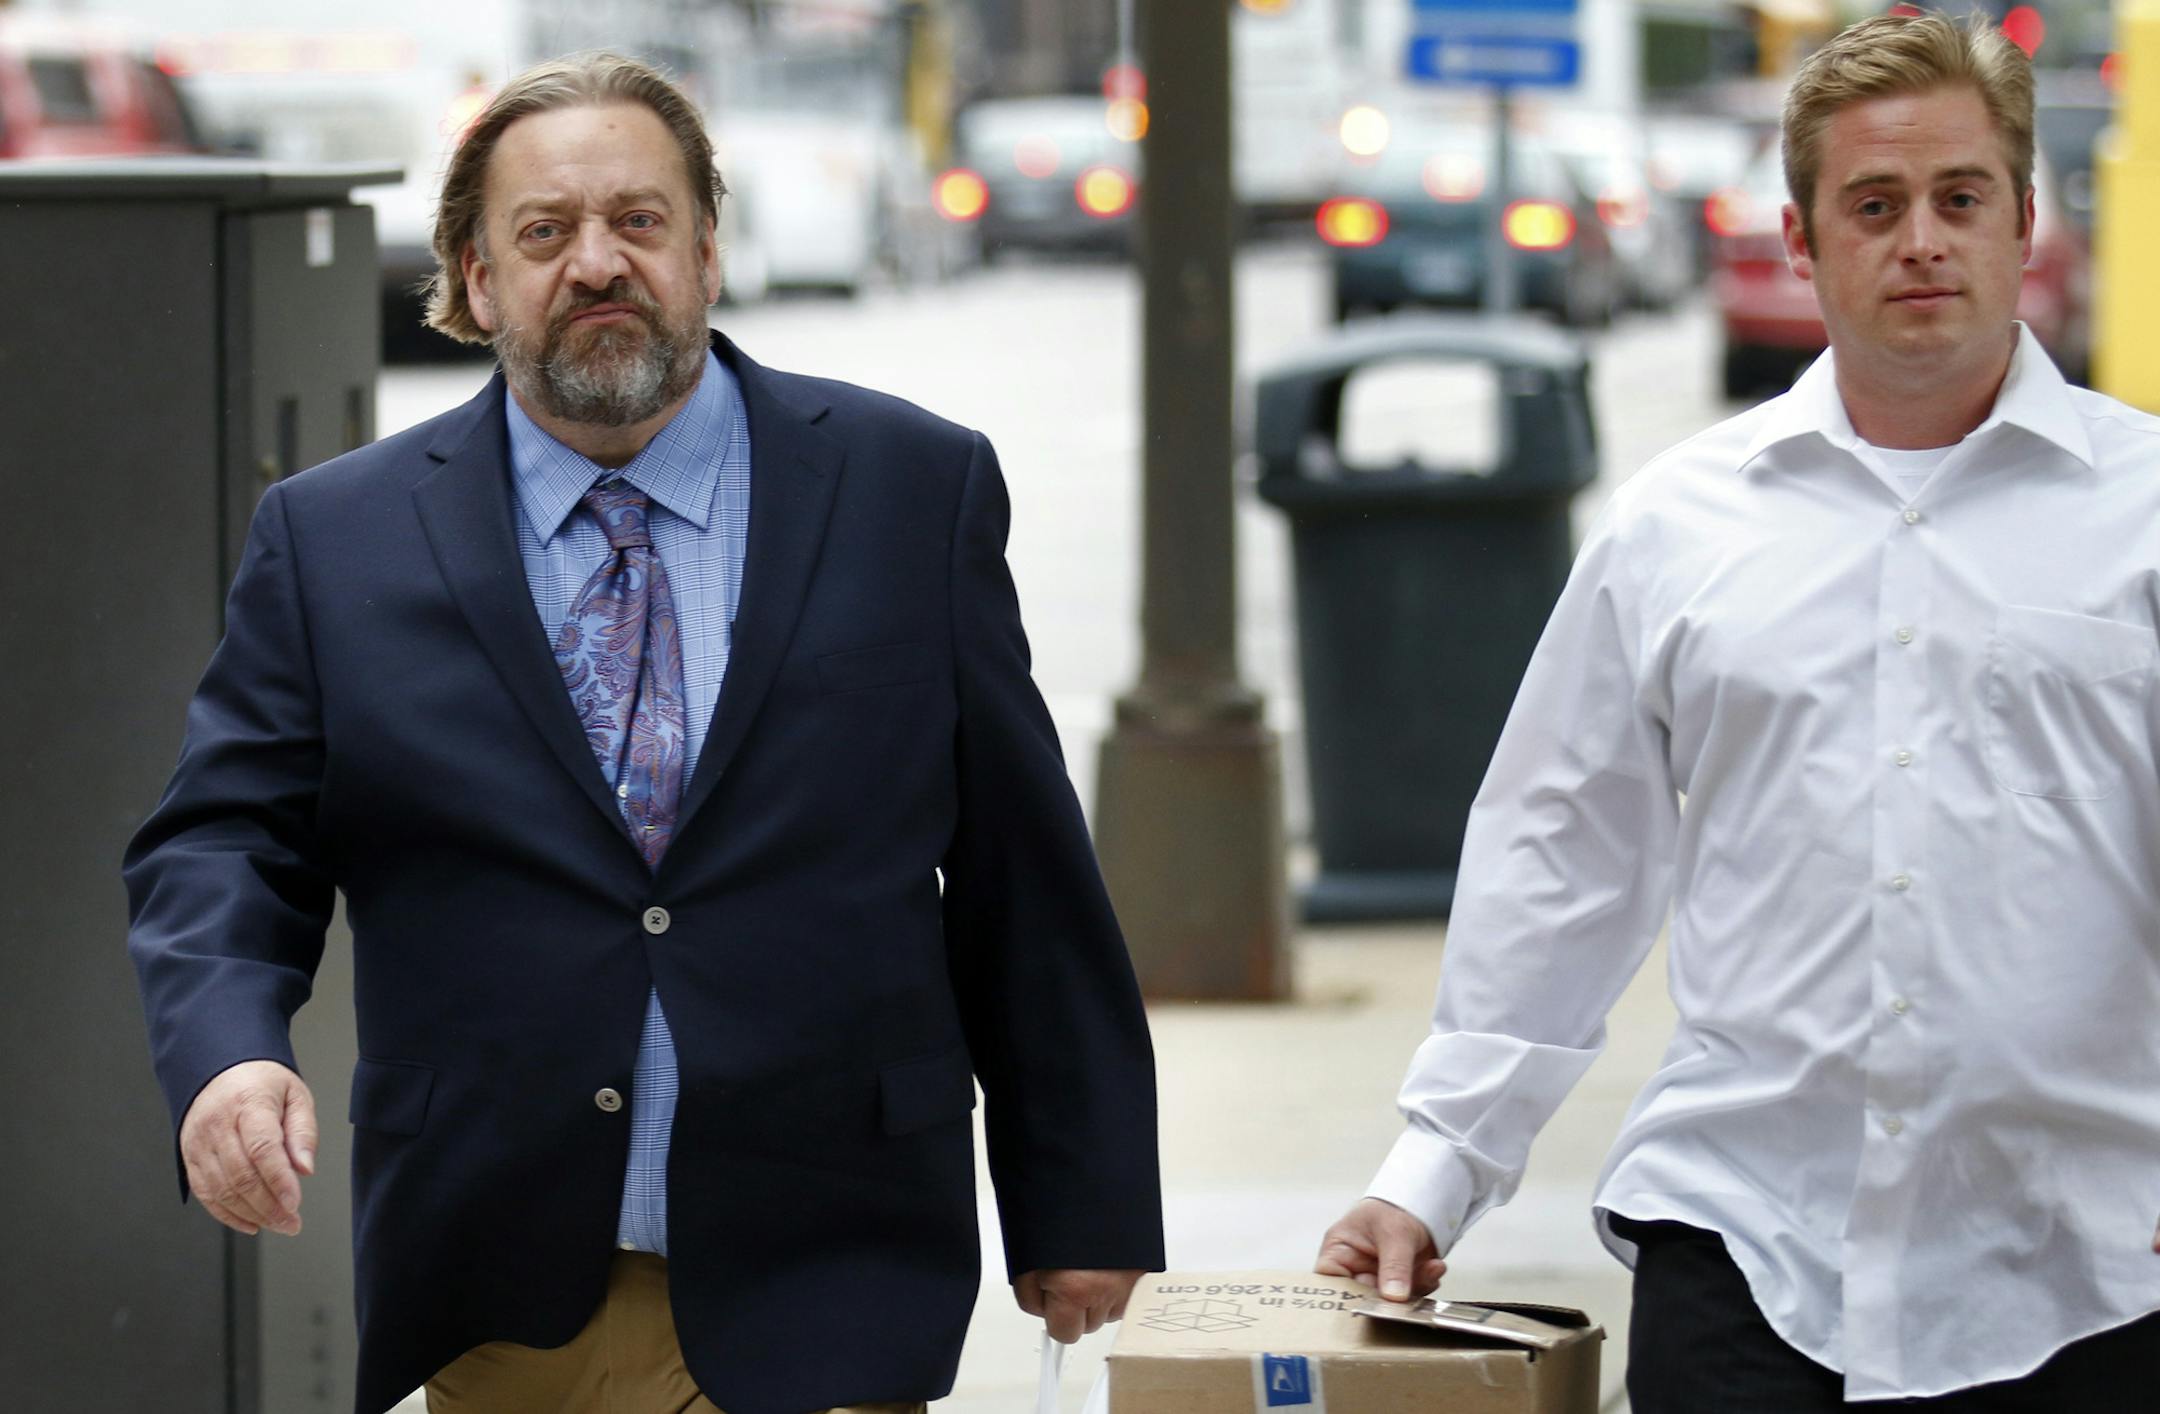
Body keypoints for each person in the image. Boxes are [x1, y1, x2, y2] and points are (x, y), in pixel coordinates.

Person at [124, 52, 1162, 1414]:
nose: (597, 262)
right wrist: (226, 1048)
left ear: (709, 249)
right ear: (476, 278)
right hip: (505, 1271)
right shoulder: (336, 539)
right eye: (544, 232)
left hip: (832, 1250)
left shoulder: (915, 486)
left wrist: (1076, 1188)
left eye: (640, 220)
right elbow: (224, 834)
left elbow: (1023, 865)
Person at [1315, 12, 2160, 1411]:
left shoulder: (2143, 515)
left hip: (2084, 1269)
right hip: (1748, 1252)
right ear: (1804, 239)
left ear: (2022, 217)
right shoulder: (1677, 530)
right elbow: (1559, 852)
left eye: (1960, 199)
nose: (1923, 241)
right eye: (1874, 206)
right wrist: (1435, 1166)